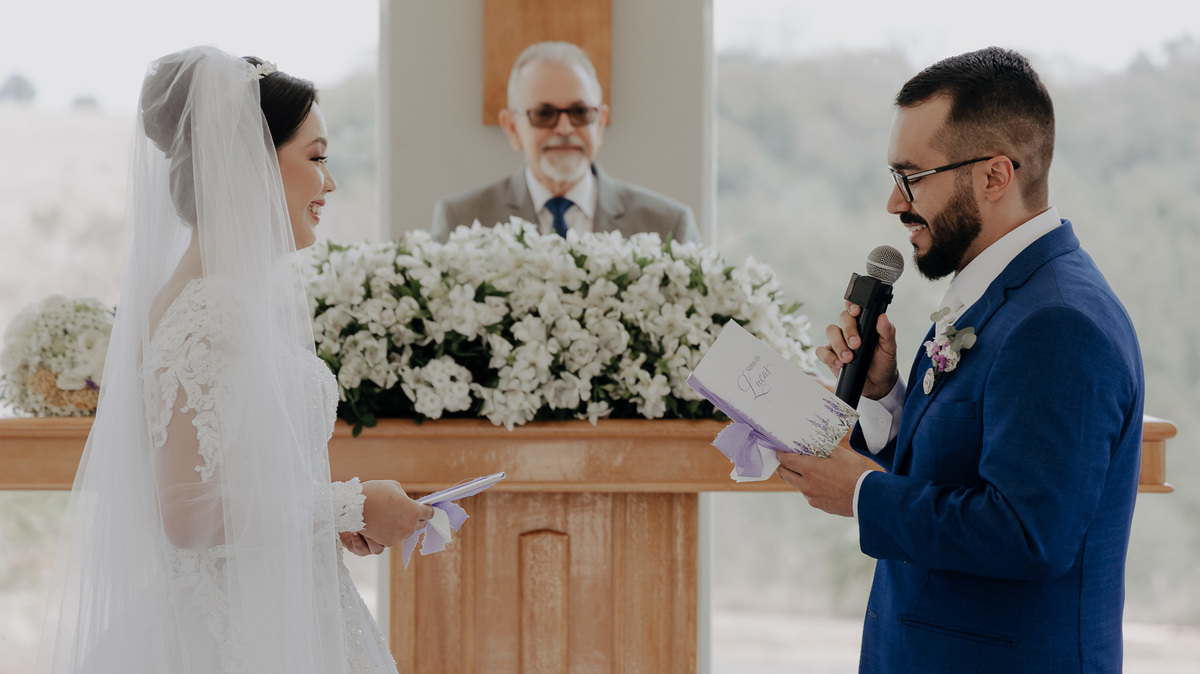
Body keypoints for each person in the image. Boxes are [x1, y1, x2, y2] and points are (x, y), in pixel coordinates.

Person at [37, 46, 434, 673]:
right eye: (316, 158)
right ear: (248, 165)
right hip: (236, 639)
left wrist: (323, 521)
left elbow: (244, 480)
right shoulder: (208, 309)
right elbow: (187, 511)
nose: (330, 182)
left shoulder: (226, 299)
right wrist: (350, 504)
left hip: (283, 612)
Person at [776, 47, 1144, 673]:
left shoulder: (1060, 323)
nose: (894, 203)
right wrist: (884, 396)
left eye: (911, 177)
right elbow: (953, 468)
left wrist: (862, 492)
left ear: (995, 176)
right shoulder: (998, 295)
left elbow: (1029, 534)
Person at [432, 41, 700, 244]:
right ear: (512, 128)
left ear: (599, 122)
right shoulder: (461, 223)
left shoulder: (667, 226)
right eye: (544, 114)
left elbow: (711, 307)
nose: (564, 128)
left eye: (580, 112)